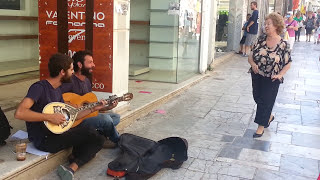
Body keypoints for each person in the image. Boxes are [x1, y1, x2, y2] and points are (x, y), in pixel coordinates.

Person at [14, 53, 106, 180]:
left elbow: (71, 116)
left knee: (99, 137)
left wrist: (93, 108)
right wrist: (49, 117)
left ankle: (71, 167)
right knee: (90, 133)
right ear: (62, 72)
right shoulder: (39, 88)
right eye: (71, 69)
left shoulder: (57, 90)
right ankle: (75, 160)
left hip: (59, 132)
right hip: (44, 139)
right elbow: (19, 113)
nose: (73, 73)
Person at [60, 50, 120, 148]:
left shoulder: (87, 81)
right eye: (90, 62)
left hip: (86, 116)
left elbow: (91, 107)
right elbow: (59, 101)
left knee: (116, 117)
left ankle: (99, 137)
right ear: (80, 64)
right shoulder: (69, 81)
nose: (93, 65)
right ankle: (117, 140)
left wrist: (108, 107)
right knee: (105, 119)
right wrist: (73, 106)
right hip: (75, 121)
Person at [248, 13, 292, 138]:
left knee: (265, 101)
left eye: (269, 24)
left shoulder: (284, 44)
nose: (266, 26)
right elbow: (251, 55)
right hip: (257, 74)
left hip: (272, 78)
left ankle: (260, 127)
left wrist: (280, 74)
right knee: (257, 98)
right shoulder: (260, 39)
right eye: (265, 24)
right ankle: (269, 116)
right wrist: (252, 64)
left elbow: (288, 63)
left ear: (276, 26)